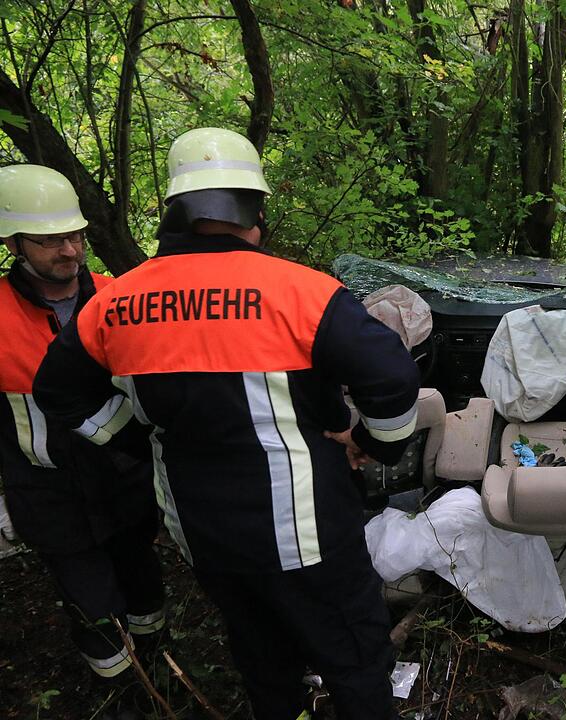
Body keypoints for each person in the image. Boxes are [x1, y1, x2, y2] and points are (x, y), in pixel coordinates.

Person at [33, 128, 420, 720]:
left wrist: (139, 439)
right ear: (256, 211)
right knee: (355, 658)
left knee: (261, 656)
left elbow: (58, 391)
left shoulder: (114, 303)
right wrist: (373, 443)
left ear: (176, 211)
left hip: (202, 533)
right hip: (308, 533)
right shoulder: (303, 293)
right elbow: (392, 378)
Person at [0, 165, 164, 716]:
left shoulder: (121, 298)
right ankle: (122, 694)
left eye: (74, 235)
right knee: (93, 603)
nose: (69, 250)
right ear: (13, 243)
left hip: (126, 479)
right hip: (48, 493)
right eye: (49, 241)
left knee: (143, 584)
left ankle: (161, 666)